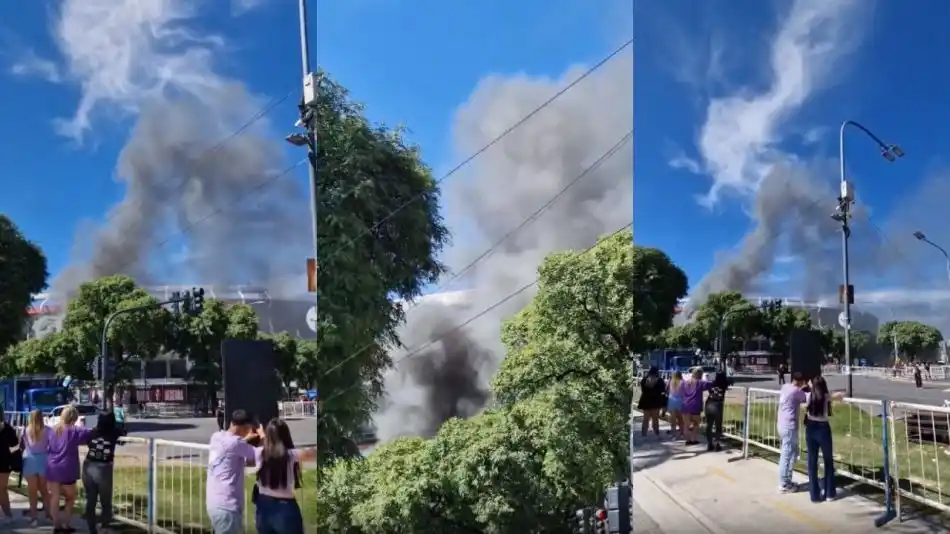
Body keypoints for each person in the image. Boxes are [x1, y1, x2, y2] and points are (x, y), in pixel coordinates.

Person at [253, 418, 318, 534]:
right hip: (285, 507)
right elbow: (312, 453)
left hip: (263, 506)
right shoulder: (291, 455)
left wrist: (263, 434)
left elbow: (267, 446)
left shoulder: (259, 453)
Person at [206, 410, 265, 534]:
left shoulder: (216, 437)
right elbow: (259, 453)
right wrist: (262, 435)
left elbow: (232, 448)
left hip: (214, 503)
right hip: (227, 507)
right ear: (244, 427)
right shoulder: (235, 443)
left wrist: (245, 438)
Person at [47, 404, 96, 532]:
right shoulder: (76, 430)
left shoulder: (52, 430)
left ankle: (56, 525)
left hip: (52, 467)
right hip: (67, 467)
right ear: (75, 417)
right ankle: (66, 524)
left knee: (54, 497)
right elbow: (92, 433)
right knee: (70, 497)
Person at [82, 411, 126, 534]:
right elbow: (124, 439)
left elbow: (88, 443)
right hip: (104, 468)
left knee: (90, 499)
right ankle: (105, 527)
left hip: (88, 465)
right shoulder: (114, 433)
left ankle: (92, 529)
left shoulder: (93, 432)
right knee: (105, 501)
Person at [804, 376, 845, 503]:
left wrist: (810, 386)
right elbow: (840, 395)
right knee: (828, 461)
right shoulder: (826, 396)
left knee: (812, 461)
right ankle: (829, 493)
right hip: (823, 428)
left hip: (810, 427)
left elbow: (808, 391)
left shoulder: (809, 396)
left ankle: (814, 495)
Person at [777, 372, 809, 493]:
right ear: (801, 382)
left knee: (789, 453)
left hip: (781, 424)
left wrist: (801, 387)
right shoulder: (797, 391)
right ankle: (784, 484)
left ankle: (787, 480)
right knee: (786, 455)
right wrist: (807, 387)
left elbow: (796, 393)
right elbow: (806, 398)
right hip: (789, 426)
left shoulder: (785, 387)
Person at [21, 410, 53, 527]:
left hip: (30, 460)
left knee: (32, 492)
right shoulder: (48, 430)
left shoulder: (26, 430)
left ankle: (34, 517)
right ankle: (48, 514)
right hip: (43, 460)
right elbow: (52, 445)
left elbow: (24, 445)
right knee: (44, 491)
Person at [680, 367, 712, 445]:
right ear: (700, 374)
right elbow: (710, 384)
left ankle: (687, 440)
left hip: (685, 405)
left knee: (686, 425)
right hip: (695, 405)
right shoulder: (700, 382)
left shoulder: (685, 382)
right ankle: (694, 440)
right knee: (696, 423)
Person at [636, 367, 667, 437]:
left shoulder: (644, 380)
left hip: (646, 401)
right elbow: (663, 391)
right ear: (657, 372)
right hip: (656, 401)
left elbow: (643, 390)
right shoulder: (659, 380)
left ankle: (644, 434)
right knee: (655, 419)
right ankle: (657, 433)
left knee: (645, 419)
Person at [0, 408, 18, 526]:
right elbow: (14, 443)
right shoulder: (6, 428)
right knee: (2, 490)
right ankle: (8, 515)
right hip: (3, 462)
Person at [704, 371, 729, 452]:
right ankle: (717, 444)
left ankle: (709, 444)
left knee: (709, 425)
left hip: (709, 403)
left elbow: (709, 388)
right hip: (718, 404)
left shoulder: (711, 384)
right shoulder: (723, 385)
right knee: (718, 425)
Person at [665, 371, 685, 440]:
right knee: (680, 419)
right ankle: (682, 434)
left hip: (671, 401)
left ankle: (673, 435)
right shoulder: (683, 382)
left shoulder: (671, 381)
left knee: (673, 419)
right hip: (680, 401)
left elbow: (666, 390)